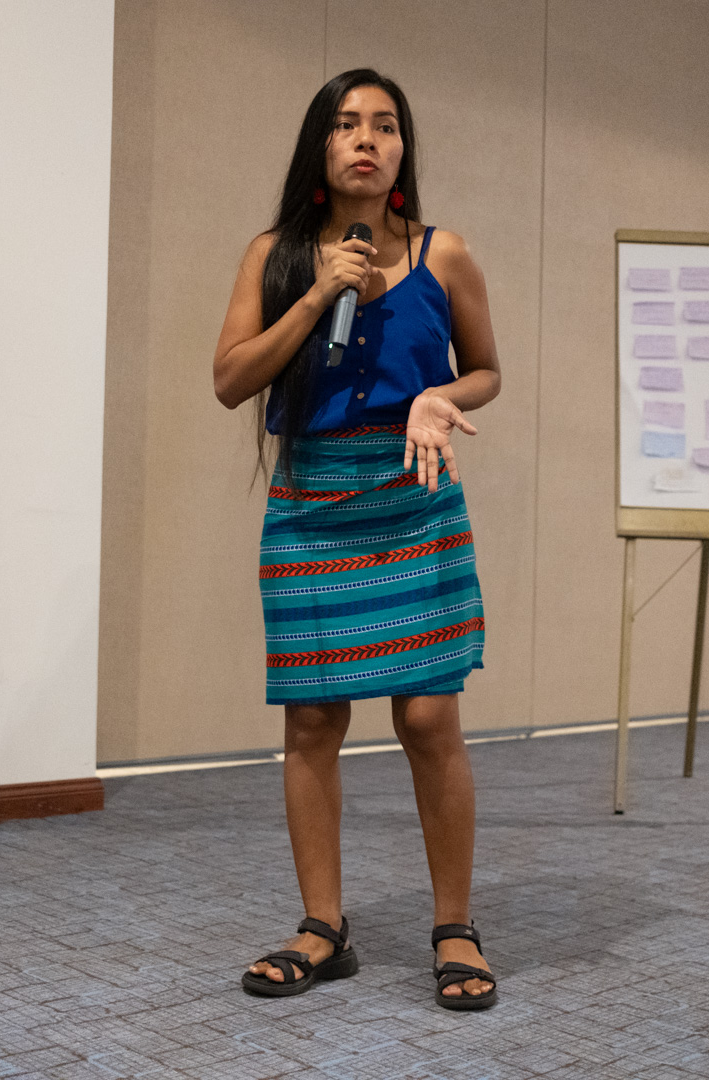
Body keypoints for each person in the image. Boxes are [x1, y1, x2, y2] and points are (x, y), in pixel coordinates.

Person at [212, 69, 503, 1011]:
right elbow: (228, 381)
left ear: (403, 151)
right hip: (311, 506)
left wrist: (438, 394)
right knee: (312, 719)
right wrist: (312, 297)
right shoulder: (278, 253)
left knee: (427, 718)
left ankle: (454, 925)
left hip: (415, 498)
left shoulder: (444, 255)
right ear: (322, 148)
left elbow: (488, 371)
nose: (366, 140)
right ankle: (322, 926)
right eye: (346, 126)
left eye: (384, 126)